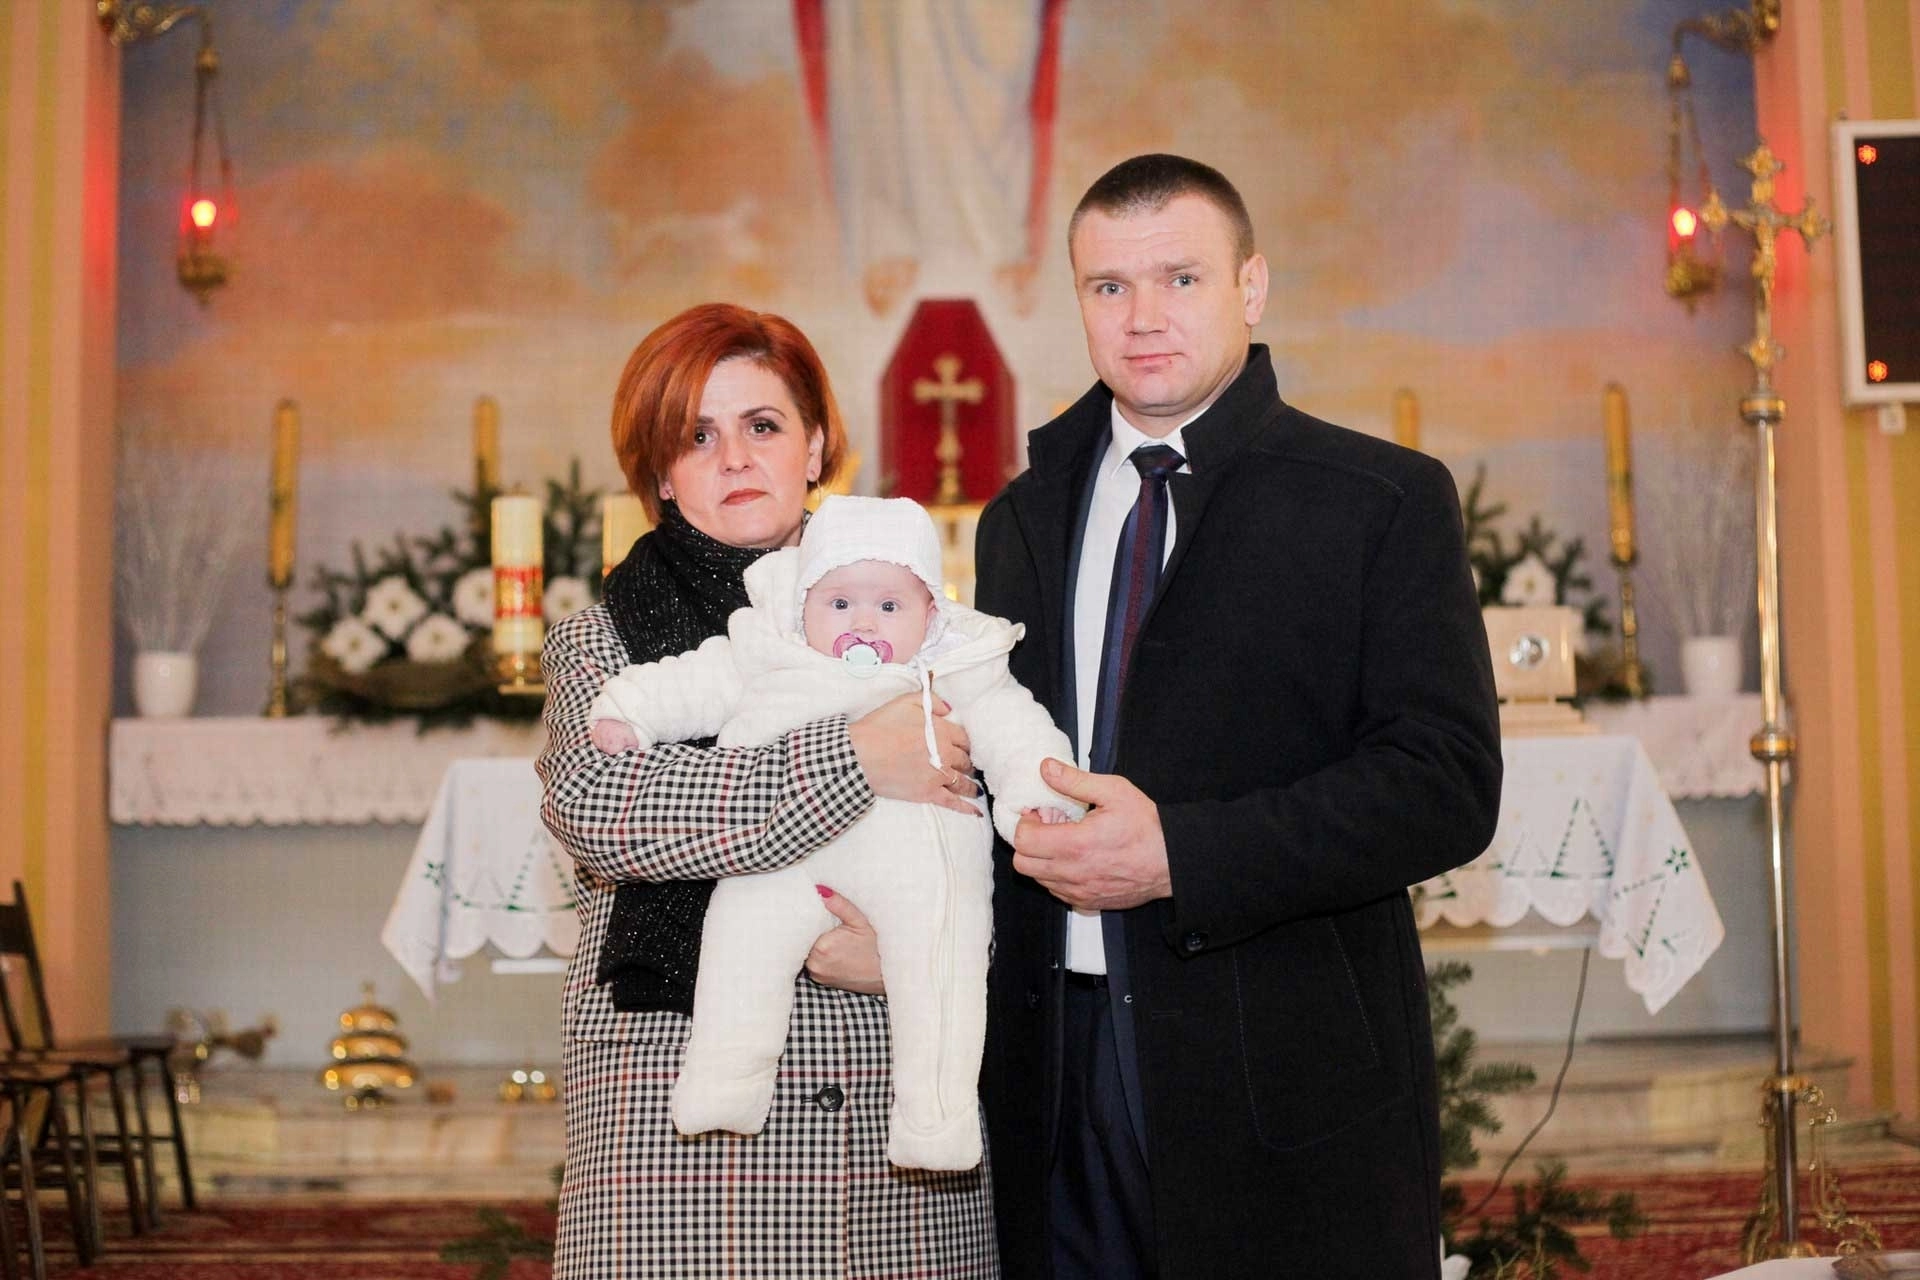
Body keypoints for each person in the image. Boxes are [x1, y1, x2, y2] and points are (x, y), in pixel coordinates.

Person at [973, 154, 1503, 1279]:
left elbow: (1445, 782)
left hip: (1280, 1064)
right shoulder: (1019, 517)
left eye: (1181, 278)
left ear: (1250, 287)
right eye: (1109, 286)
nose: (1143, 316)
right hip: (1055, 1069)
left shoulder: (1380, 499)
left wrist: (1181, 854)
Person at [537, 304, 1000, 1279]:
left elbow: (990, 830)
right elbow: (608, 811)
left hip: (890, 1115)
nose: (735, 458)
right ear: (662, 474)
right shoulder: (603, 640)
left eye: (762, 425)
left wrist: (928, 949)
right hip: (677, 1133)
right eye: (697, 436)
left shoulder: (922, 624)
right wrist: (856, 758)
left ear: (816, 445)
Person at [584, 493, 1078, 1171]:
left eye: (890, 605)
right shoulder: (771, 652)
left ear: (931, 614)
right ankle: (724, 1080)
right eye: (840, 603)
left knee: (942, 976)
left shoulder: (959, 670)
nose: (863, 623)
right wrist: (629, 711)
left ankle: (937, 1122)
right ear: (803, 607)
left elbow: (1020, 736)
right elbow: (691, 682)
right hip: (785, 860)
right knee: (739, 944)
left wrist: (1041, 801)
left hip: (920, 867)